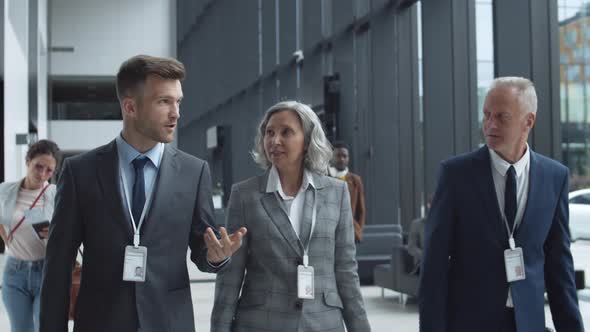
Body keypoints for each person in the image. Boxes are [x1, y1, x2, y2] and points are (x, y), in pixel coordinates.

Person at [39, 55, 246, 332]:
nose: (176, 113)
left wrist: (215, 256)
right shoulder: (80, 172)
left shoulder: (194, 172)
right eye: (164, 102)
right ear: (130, 107)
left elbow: (201, 248)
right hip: (100, 323)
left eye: (178, 101)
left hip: (169, 323)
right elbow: (58, 265)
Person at [419, 77, 584, 332]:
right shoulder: (455, 175)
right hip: (468, 323)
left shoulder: (555, 177)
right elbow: (434, 267)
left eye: (501, 117)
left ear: (528, 121)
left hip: (528, 324)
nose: (489, 125)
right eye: (486, 115)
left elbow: (559, 266)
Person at [210, 101, 371, 332]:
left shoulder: (336, 193)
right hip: (259, 324)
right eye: (269, 133)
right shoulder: (244, 195)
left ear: (306, 141)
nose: (274, 141)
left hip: (323, 324)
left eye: (286, 132)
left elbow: (346, 272)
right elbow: (230, 278)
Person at [0, 139, 60, 332]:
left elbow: (68, 232)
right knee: (21, 329)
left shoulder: (55, 194)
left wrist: (54, 233)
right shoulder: (5, 190)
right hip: (14, 272)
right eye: (38, 166)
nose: (42, 174)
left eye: (49, 170)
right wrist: (6, 237)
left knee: (43, 326)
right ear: (28, 161)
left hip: (45, 271)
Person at [328, 141, 366, 242]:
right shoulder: (324, 178)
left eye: (345, 156)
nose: (341, 159)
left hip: (350, 232)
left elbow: (361, 210)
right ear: (332, 157)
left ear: (348, 158)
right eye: (338, 156)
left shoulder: (355, 180)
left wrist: (358, 229)